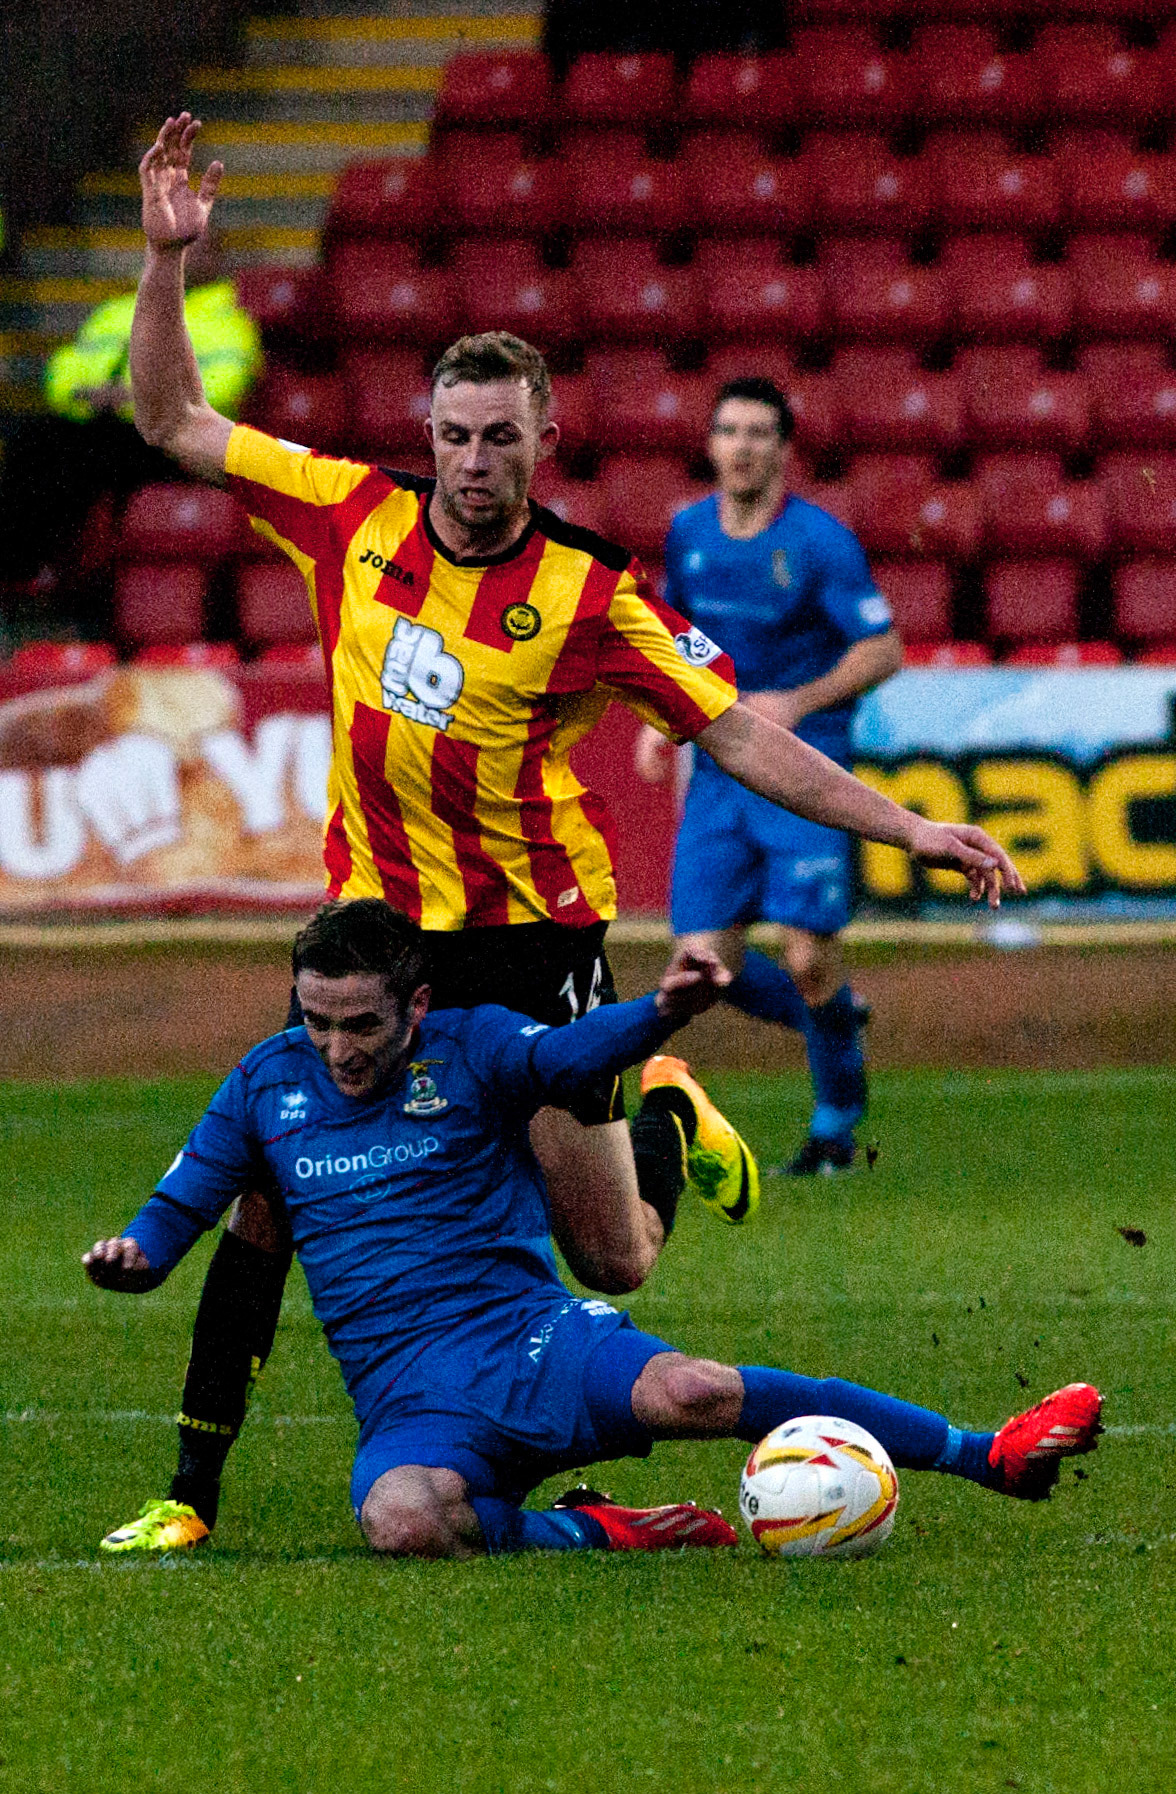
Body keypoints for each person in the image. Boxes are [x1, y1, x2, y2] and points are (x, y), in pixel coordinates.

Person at [109, 113, 1023, 1553]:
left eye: (501, 437)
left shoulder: (594, 593)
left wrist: (909, 825)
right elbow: (170, 420)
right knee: (273, 1199)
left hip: (533, 940)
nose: (475, 461)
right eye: (455, 435)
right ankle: (191, 1493)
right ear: (428, 437)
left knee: (618, 1255)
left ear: (547, 439)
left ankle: (659, 1106)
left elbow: (738, 734)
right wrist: (169, 266)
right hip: (382, 941)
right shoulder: (351, 515)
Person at [85, 900, 1101, 1559]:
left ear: (418, 1005)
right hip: (410, 1402)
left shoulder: (476, 1046)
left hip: (537, 1341)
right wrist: (137, 1256)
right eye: (318, 1021)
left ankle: (986, 1455)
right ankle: (593, 1531)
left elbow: (574, 1060)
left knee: (695, 1387)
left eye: (362, 1024)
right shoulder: (267, 1082)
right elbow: (185, 1203)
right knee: (401, 1520)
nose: (338, 1048)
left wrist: (661, 1014)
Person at [637, 377, 901, 1174]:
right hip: (722, 768)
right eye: (729, 430)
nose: (743, 445)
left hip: (807, 765)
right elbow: (669, 635)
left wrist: (797, 701)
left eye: (759, 432)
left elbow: (881, 649)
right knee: (702, 966)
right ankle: (834, 1019)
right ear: (711, 444)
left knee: (807, 955)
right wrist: (658, 722)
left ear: (784, 449)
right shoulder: (687, 532)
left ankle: (834, 1129)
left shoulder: (820, 542)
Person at [1, 227, 261, 587]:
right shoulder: (118, 311)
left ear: (215, 261)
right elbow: (64, 370)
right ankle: (20, 569)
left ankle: (76, 580)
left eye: (192, 251)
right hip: (97, 425)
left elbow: (221, 388)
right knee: (34, 439)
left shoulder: (228, 323)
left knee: (86, 460)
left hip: (169, 444)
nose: (180, 259)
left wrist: (133, 399)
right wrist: (82, 395)